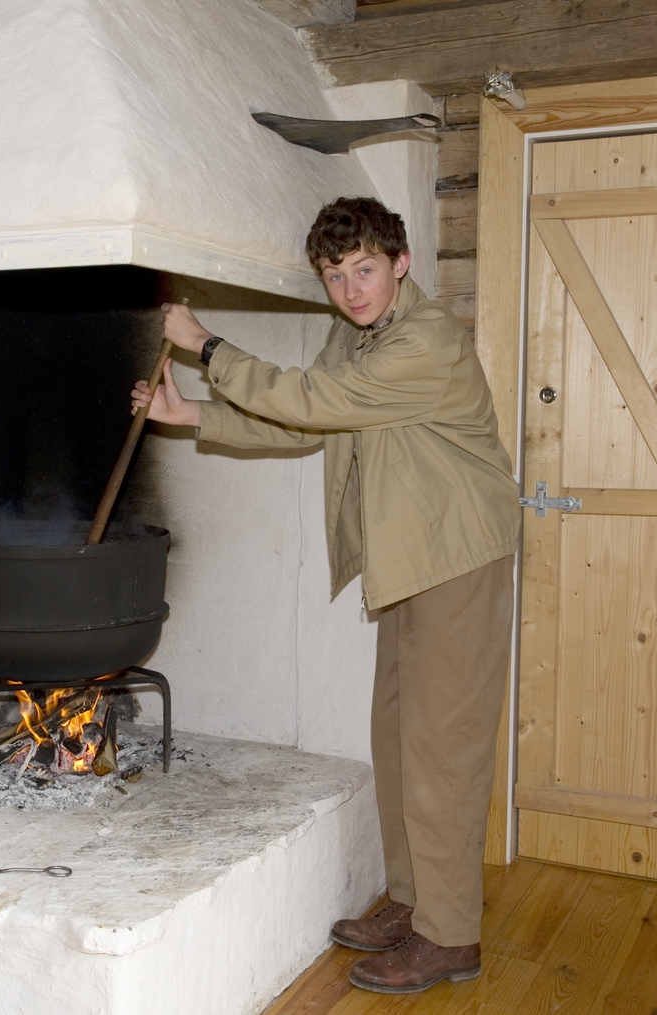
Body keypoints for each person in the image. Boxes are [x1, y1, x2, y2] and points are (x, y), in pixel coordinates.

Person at [131, 197, 521, 994]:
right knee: (399, 737)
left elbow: (315, 402)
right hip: (409, 559)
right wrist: (191, 413)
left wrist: (206, 344)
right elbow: (308, 422)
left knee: (442, 750)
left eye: (364, 270)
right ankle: (415, 902)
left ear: (401, 262)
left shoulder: (429, 340)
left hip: (457, 560)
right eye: (335, 276)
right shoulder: (357, 334)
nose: (350, 290)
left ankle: (451, 937)